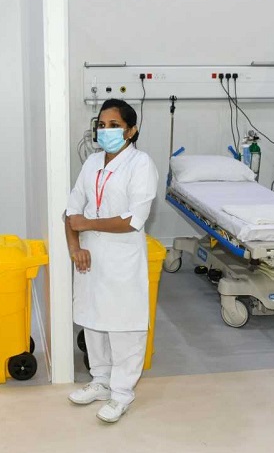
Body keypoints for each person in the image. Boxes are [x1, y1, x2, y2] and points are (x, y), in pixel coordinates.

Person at [64, 98, 159, 423]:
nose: (106, 131)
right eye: (101, 125)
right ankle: (101, 381)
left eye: (114, 125)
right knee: (93, 321)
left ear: (131, 130)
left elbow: (133, 219)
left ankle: (121, 395)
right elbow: (71, 210)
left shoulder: (141, 164)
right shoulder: (92, 162)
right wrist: (75, 248)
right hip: (90, 258)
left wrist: (87, 224)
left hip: (122, 258)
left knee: (124, 327)